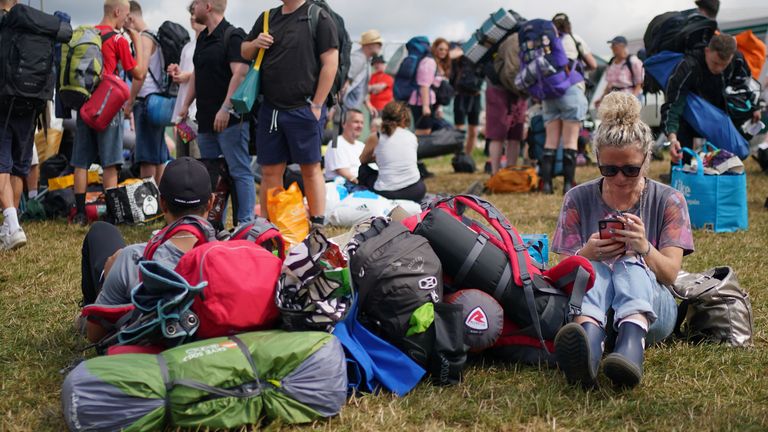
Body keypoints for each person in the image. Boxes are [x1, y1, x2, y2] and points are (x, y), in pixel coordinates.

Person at [551, 92, 694, 389]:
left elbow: (669, 274)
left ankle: (631, 345)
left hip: (653, 313)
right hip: (594, 309)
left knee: (630, 263)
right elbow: (564, 275)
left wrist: (644, 248)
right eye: (609, 170)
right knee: (596, 270)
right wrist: (586, 254)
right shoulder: (577, 198)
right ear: (597, 161)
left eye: (630, 169)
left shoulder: (669, 200)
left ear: (647, 159)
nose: (619, 179)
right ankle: (588, 347)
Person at [80, 157, 214, 342]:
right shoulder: (231, 252)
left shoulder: (133, 258)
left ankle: (85, 312)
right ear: (211, 203)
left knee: (101, 230)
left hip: (147, 345)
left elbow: (95, 336)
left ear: (162, 203)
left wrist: (110, 276)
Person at [241, 0, 339, 229]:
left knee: (311, 166)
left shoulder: (319, 17)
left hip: (304, 108)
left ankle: (317, 223)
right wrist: (256, 43)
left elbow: (331, 64)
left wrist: (317, 104)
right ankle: (266, 226)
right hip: (271, 109)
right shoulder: (267, 17)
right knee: (269, 169)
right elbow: (244, 50)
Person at [178, 0, 253, 225]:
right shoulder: (202, 38)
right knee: (211, 176)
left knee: (239, 171)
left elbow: (239, 75)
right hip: (206, 120)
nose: (193, 8)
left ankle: (245, 224)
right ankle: (212, 222)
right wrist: (185, 105)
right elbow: (197, 75)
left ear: (208, 6)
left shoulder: (233, 36)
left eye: (197, 4)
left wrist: (225, 108)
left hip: (231, 121)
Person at [71, 0, 146, 226]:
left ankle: (80, 213)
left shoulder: (88, 35)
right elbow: (139, 73)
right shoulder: (118, 39)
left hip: (86, 105)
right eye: (125, 15)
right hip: (108, 105)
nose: (126, 20)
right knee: (110, 162)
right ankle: (113, 215)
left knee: (81, 162)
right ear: (116, 12)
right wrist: (137, 40)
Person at [662, 34, 758, 164]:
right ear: (707, 50)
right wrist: (672, 138)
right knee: (682, 152)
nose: (718, 69)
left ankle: (720, 178)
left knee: (727, 158)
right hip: (691, 114)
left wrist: (754, 108)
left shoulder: (738, 60)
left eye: (724, 65)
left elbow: (746, 86)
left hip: (722, 115)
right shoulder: (688, 66)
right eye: (715, 63)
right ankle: (680, 176)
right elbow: (673, 103)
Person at [538, 12, 596, 195]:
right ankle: (567, 185)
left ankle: (546, 185)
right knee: (570, 140)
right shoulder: (574, 39)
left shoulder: (545, 44)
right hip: (571, 89)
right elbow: (593, 64)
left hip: (549, 93)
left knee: (550, 140)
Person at [124, 0, 169, 186]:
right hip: (157, 101)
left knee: (146, 156)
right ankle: (158, 200)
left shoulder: (143, 38)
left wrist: (130, 100)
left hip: (145, 101)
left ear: (131, 17)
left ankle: (148, 201)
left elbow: (139, 74)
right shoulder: (155, 36)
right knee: (157, 154)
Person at [359, 101, 426, 202]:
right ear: (404, 118)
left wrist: (376, 157)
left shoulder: (376, 137)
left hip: (388, 192)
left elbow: (362, 160)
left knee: (363, 170)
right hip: (416, 190)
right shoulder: (412, 136)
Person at [168, 1, 205, 159]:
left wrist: (186, 76)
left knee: (196, 159)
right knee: (183, 158)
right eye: (190, 13)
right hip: (183, 115)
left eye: (194, 13)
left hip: (196, 114)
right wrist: (177, 72)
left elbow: (204, 73)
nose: (192, 17)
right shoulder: (187, 47)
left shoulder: (207, 44)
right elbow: (185, 75)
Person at [451, 53, 484, 154]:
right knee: (459, 130)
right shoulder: (459, 55)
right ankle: (458, 156)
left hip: (475, 95)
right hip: (461, 95)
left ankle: (467, 156)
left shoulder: (482, 56)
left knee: (473, 130)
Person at [596, 36, 644, 105]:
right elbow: (609, 84)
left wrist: (631, 100)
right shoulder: (611, 63)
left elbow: (639, 84)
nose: (611, 48)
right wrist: (601, 98)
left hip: (629, 98)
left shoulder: (633, 61)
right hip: (614, 100)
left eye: (614, 45)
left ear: (622, 46)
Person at [344, 29, 382, 116]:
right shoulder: (357, 59)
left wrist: (368, 105)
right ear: (369, 45)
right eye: (378, 43)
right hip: (347, 108)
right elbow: (344, 83)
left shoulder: (366, 60)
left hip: (352, 107)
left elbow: (361, 86)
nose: (380, 46)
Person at [324, 109, 365, 183]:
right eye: (356, 122)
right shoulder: (336, 143)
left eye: (362, 123)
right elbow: (346, 174)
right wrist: (362, 183)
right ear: (344, 124)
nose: (360, 126)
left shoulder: (361, 145)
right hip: (344, 188)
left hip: (361, 184)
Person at [408, 38, 438, 136]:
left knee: (423, 131)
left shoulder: (421, 59)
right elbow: (424, 84)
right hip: (421, 102)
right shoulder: (428, 61)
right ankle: (416, 151)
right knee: (423, 132)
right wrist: (425, 106)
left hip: (417, 100)